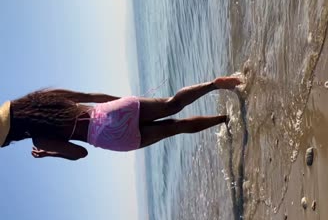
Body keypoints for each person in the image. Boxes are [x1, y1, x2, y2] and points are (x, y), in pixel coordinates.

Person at [0, 76, 242, 161]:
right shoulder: (44, 98)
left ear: (12, 134)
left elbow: (80, 153)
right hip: (111, 111)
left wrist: (52, 153)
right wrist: (125, 101)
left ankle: (224, 119)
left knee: (175, 128)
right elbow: (90, 96)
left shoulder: (40, 140)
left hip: (111, 138)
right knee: (172, 105)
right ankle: (214, 85)